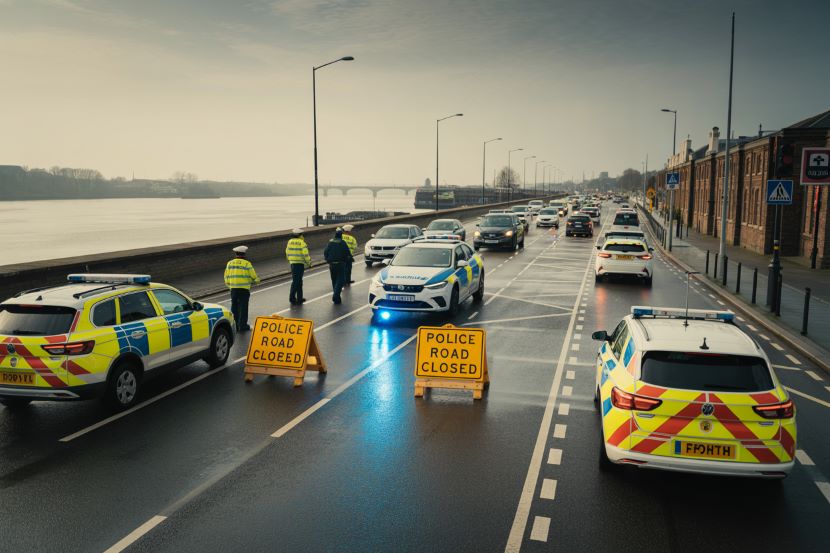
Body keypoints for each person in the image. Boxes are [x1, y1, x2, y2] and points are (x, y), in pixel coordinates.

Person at [224, 245, 260, 331]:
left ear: (236, 254)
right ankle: (243, 326)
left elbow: (226, 277)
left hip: (233, 289)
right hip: (244, 289)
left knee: (234, 306)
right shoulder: (247, 264)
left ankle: (235, 325)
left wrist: (230, 286)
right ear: (244, 254)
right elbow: (254, 277)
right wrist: (257, 280)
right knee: (243, 307)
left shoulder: (230, 263)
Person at [323, 228, 351, 304]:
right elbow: (347, 253)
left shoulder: (330, 242)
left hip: (331, 264)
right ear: (341, 235)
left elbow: (325, 252)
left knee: (334, 280)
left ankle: (337, 297)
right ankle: (335, 295)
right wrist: (348, 259)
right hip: (340, 264)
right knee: (340, 280)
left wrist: (327, 259)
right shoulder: (342, 243)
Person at [285, 228, 311, 305]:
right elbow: (305, 254)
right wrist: (309, 263)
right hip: (299, 264)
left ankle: (300, 298)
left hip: (293, 263)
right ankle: (292, 298)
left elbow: (287, 252)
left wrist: (290, 260)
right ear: (300, 235)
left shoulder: (289, 242)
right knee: (296, 281)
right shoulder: (302, 243)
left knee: (298, 281)